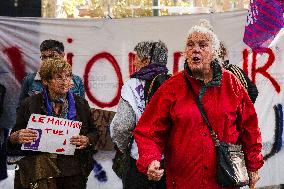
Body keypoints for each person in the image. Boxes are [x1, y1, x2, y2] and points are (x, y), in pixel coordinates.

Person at [133, 21, 264, 189]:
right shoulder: (171, 88)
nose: (195, 49)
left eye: (203, 45)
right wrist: (151, 159)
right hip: (183, 182)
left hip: (223, 182)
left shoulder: (231, 83)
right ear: (185, 52)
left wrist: (253, 166)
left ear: (215, 52)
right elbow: (148, 131)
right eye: (190, 45)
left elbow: (250, 127)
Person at [7, 58, 97, 189]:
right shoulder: (29, 104)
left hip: (72, 173)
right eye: (59, 77)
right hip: (39, 172)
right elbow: (14, 138)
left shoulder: (81, 104)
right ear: (45, 81)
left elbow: (94, 132)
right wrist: (16, 137)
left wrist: (87, 140)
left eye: (68, 76)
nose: (65, 81)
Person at [110, 40, 170, 189]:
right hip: (169, 164)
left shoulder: (132, 85)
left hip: (140, 162)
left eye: (136, 58)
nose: (134, 62)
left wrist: (126, 148)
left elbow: (121, 126)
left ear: (146, 61)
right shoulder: (175, 83)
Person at [18, 39, 85, 103]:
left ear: (62, 56)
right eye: (44, 57)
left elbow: (82, 108)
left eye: (52, 56)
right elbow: (21, 108)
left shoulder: (77, 81)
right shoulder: (29, 79)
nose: (48, 60)